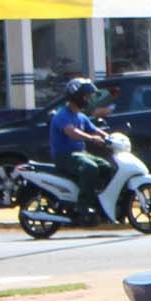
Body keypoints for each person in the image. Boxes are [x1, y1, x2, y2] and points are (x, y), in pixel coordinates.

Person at [47, 78, 113, 219]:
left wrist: (110, 138)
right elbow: (72, 132)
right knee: (90, 168)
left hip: (80, 154)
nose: (88, 99)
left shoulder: (81, 116)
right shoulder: (62, 115)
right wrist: (91, 138)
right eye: (85, 96)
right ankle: (82, 205)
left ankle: (98, 201)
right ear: (76, 96)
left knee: (107, 167)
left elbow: (94, 129)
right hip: (65, 156)